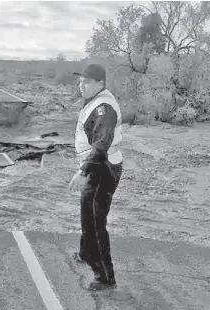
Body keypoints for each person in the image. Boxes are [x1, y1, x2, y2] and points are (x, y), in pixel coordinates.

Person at [68, 63, 124, 291]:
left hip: (102, 168)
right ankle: (85, 252)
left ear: (100, 84)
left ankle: (104, 276)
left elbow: (101, 145)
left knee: (94, 222)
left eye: (86, 81)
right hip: (99, 166)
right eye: (80, 81)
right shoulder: (95, 100)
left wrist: (84, 172)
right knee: (87, 213)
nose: (81, 85)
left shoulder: (104, 108)